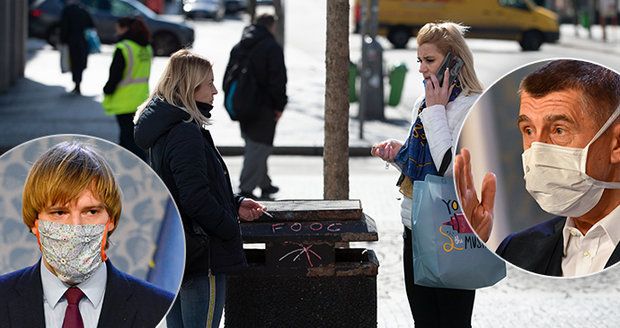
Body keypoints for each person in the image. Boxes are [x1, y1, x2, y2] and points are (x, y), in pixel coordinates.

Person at [134, 49, 267, 328]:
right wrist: (229, 227)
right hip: (202, 255)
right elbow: (195, 198)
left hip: (179, 252)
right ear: (189, 88)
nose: (215, 91)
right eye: (209, 84)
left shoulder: (165, 127)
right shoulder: (184, 131)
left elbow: (190, 187)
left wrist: (235, 202)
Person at [455, 60, 620, 277]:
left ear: (616, 144)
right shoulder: (517, 249)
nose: (537, 150)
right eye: (529, 130)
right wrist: (472, 243)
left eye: (559, 130)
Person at [371, 22, 483, 328]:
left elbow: (450, 168)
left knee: (453, 321)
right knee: (424, 320)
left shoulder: (470, 106)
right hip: (416, 226)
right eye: (419, 60)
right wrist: (399, 154)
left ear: (454, 60)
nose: (421, 69)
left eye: (429, 60)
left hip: (452, 229)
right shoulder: (425, 103)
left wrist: (436, 111)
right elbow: (424, 168)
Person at [0, 141, 174, 328]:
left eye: (91, 212)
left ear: (111, 220)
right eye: (59, 212)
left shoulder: (161, 308)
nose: (76, 227)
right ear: (34, 223)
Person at [224, 13, 287, 200]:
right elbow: (278, 80)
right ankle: (245, 188)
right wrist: (279, 105)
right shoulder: (271, 47)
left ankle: (264, 184)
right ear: (271, 26)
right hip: (264, 106)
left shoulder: (240, 45)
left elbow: (228, 75)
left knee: (254, 143)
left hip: (242, 103)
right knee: (259, 146)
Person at [103, 17, 152, 161]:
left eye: (118, 28)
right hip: (142, 98)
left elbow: (115, 75)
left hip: (124, 100)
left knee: (128, 140)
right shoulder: (147, 47)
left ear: (125, 28)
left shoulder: (123, 47)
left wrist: (107, 90)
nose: (116, 32)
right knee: (130, 138)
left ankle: (141, 169)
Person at [60, 0, 95, 95]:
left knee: (74, 62)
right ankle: (78, 83)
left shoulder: (67, 10)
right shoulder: (84, 10)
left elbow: (64, 27)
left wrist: (62, 40)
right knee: (80, 63)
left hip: (71, 41)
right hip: (83, 41)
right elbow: (91, 25)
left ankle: (76, 83)